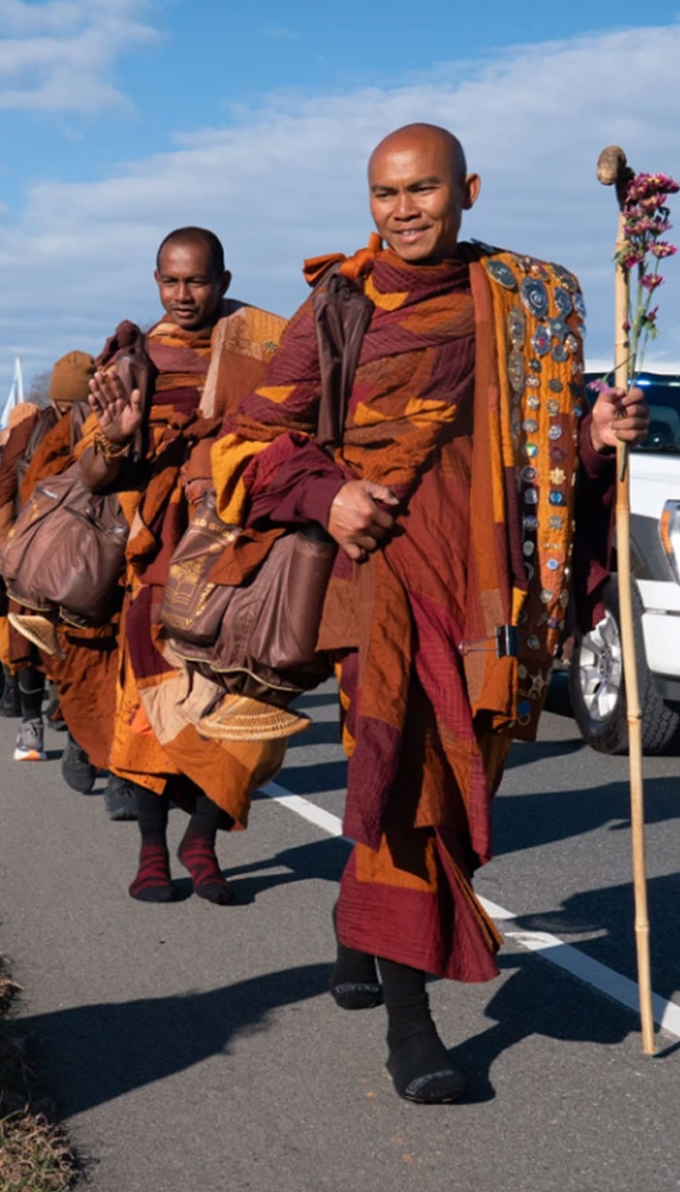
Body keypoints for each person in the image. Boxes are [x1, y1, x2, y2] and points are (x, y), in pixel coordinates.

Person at [214, 124, 648, 1103]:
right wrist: (325, 494)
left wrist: (595, 436)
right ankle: (413, 1028)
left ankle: (359, 923)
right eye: (384, 194)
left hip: (488, 577)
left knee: (462, 775)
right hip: (381, 576)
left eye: (422, 190)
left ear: (469, 190)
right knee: (404, 769)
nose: (403, 210)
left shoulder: (525, 302)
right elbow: (248, 444)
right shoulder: (338, 303)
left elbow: (544, 452)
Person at [78, 227, 292, 905]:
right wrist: (114, 443)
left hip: (243, 547)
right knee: (151, 707)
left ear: (224, 280)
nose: (183, 295)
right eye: (170, 282)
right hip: (160, 553)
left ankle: (201, 839)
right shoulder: (132, 362)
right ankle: (151, 854)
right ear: (155, 281)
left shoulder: (263, 348)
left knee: (246, 701)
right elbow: (89, 472)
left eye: (196, 281)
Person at [0, 354, 95, 762]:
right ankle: (30, 725)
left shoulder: (103, 424)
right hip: (31, 546)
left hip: (87, 551)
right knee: (29, 636)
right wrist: (2, 546)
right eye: (66, 406)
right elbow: (3, 489)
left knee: (82, 644)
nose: (72, 414)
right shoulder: (32, 429)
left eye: (79, 405)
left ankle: (80, 731)